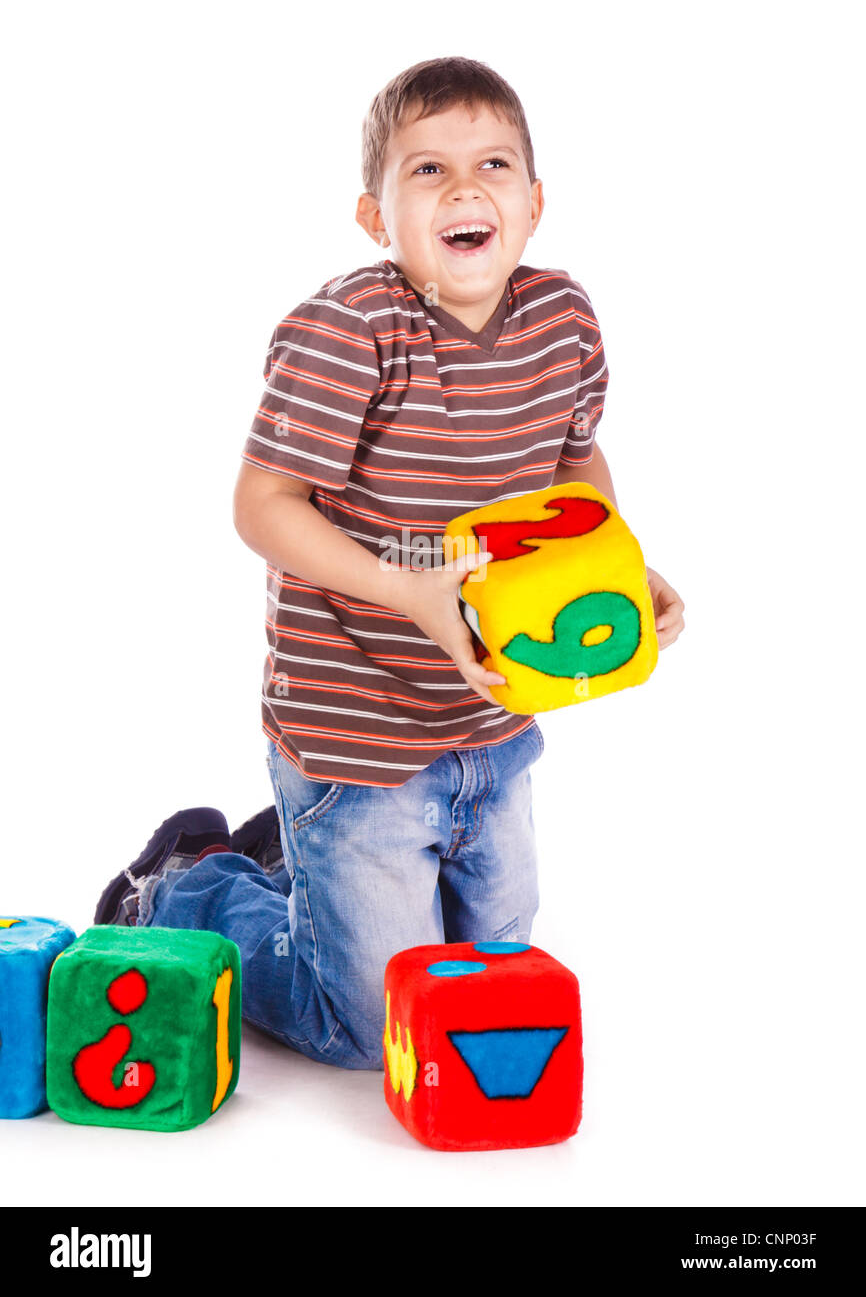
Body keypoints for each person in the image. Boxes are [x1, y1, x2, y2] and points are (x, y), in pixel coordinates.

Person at [95, 56, 685, 1069]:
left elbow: (572, 458)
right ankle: (188, 879)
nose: (464, 188)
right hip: (354, 729)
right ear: (374, 217)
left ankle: (307, 880)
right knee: (374, 1027)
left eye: (492, 163)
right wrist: (409, 590)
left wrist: (613, 559)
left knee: (486, 978)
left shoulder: (562, 324)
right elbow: (262, 506)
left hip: (489, 720)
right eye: (427, 171)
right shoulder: (350, 333)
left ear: (533, 203)